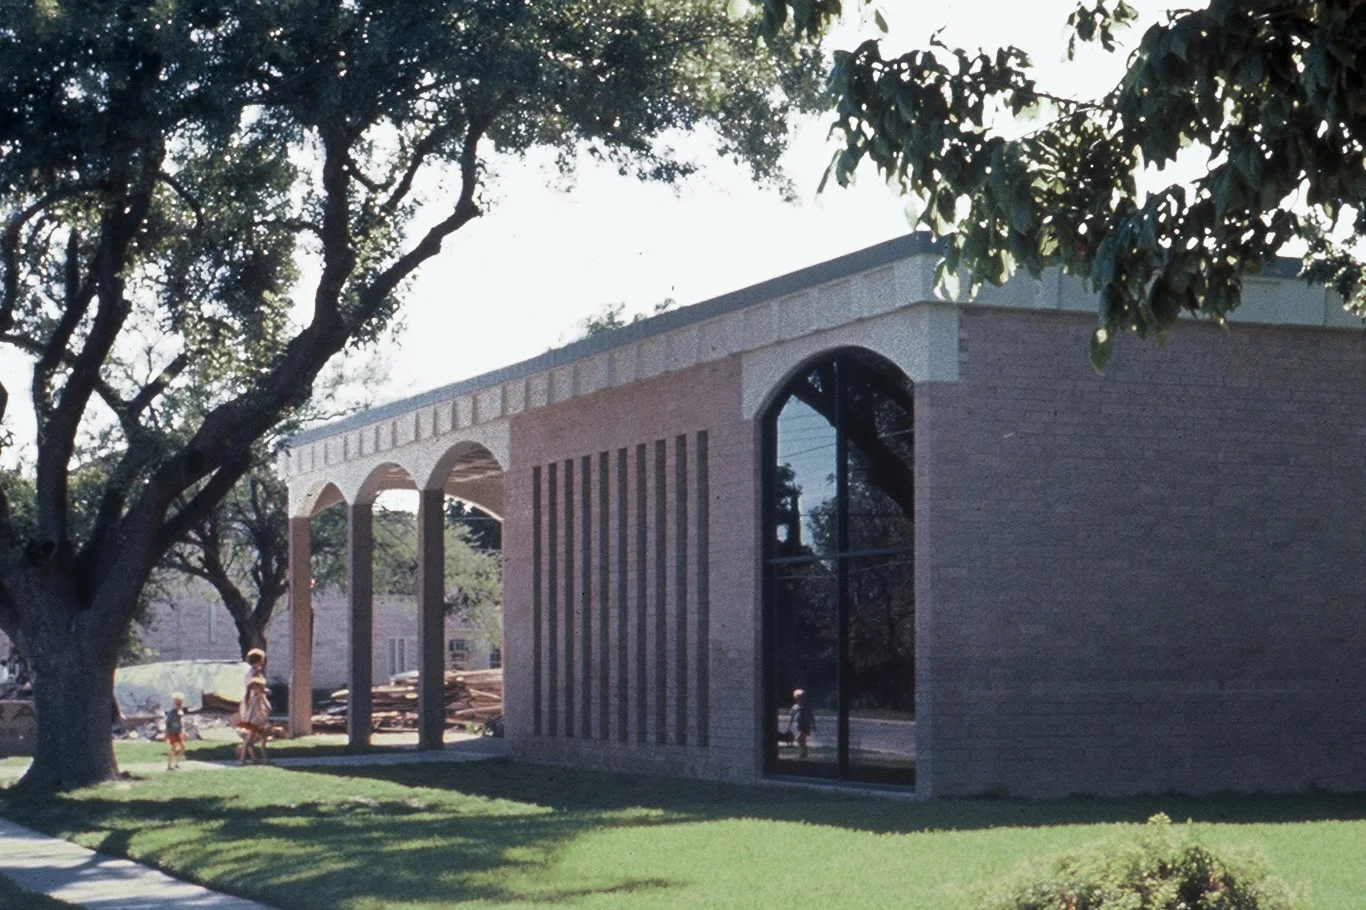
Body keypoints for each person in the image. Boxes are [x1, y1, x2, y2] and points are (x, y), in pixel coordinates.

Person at [236, 649, 272, 764]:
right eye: (262, 659)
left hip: (253, 703)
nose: (263, 661)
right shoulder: (254, 673)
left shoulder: (251, 671)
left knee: (256, 734)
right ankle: (244, 757)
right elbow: (255, 687)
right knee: (253, 733)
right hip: (255, 705)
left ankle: (254, 757)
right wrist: (265, 691)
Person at [787, 688, 814, 759]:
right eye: (799, 698)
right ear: (796, 699)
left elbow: (811, 716)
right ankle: (804, 753)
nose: (801, 700)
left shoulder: (807, 706)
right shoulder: (795, 707)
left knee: (798, 738)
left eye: (802, 698)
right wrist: (789, 724)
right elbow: (792, 716)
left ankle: (803, 752)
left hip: (805, 724)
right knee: (802, 739)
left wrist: (813, 724)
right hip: (798, 725)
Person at [165, 692, 186, 770]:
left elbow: (180, 723)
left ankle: (176, 763)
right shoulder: (172, 713)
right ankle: (169, 765)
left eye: (180, 704)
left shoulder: (180, 712)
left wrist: (182, 731)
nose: (179, 705)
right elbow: (167, 723)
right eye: (177, 704)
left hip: (178, 732)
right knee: (174, 748)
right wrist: (166, 733)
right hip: (172, 732)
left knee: (183, 747)